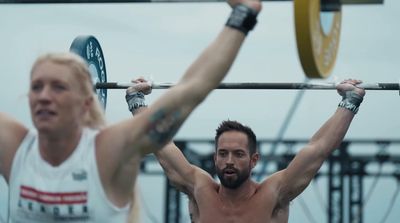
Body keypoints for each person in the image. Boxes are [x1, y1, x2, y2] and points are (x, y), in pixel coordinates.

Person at [0, 0, 262, 222]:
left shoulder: (107, 152)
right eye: (37, 87)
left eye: (59, 87)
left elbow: (192, 88)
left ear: (86, 101)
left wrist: (243, 15)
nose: (44, 97)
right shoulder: (15, 147)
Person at [126, 78, 365, 222]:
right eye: (223, 153)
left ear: (254, 160)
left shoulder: (274, 194)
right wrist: (136, 100)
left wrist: (350, 101)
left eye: (238, 154)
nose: (229, 160)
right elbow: (161, 144)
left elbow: (318, 149)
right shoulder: (199, 189)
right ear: (215, 157)